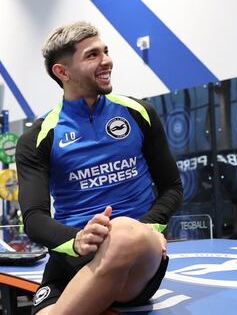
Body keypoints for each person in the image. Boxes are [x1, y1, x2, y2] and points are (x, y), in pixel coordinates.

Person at [16, 21, 183, 315]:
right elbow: (34, 218)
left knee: (123, 232)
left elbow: (172, 188)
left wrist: (146, 230)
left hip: (138, 255)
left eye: (105, 51)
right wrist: (77, 239)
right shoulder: (38, 136)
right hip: (72, 257)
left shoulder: (139, 113)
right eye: (92, 55)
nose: (107, 61)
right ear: (62, 72)